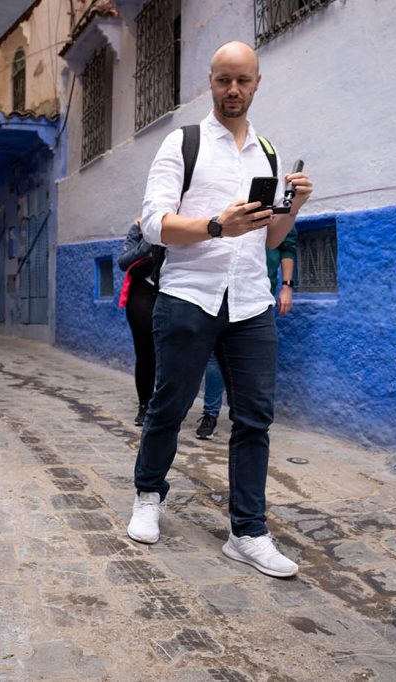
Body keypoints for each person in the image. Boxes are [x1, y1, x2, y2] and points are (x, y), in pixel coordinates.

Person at [126, 40, 313, 578]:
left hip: (252, 300)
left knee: (255, 418)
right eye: (224, 80)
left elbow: (271, 235)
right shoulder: (181, 144)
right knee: (170, 405)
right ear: (210, 81)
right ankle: (148, 495)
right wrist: (215, 225)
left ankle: (247, 532)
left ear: (257, 84)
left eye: (243, 81)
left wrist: (294, 204)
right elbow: (153, 223)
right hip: (188, 296)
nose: (234, 90)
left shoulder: (268, 153)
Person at [196, 234, 297, 440]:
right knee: (215, 358)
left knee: (254, 365)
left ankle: (248, 421)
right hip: (221, 292)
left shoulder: (278, 206)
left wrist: (287, 286)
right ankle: (210, 414)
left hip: (258, 296)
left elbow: (287, 246)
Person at [118, 218, 161, 426]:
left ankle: (165, 403)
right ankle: (145, 405)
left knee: (170, 353)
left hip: (171, 291)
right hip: (142, 294)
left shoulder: (181, 224)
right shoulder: (139, 228)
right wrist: (148, 239)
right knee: (145, 352)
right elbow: (123, 262)